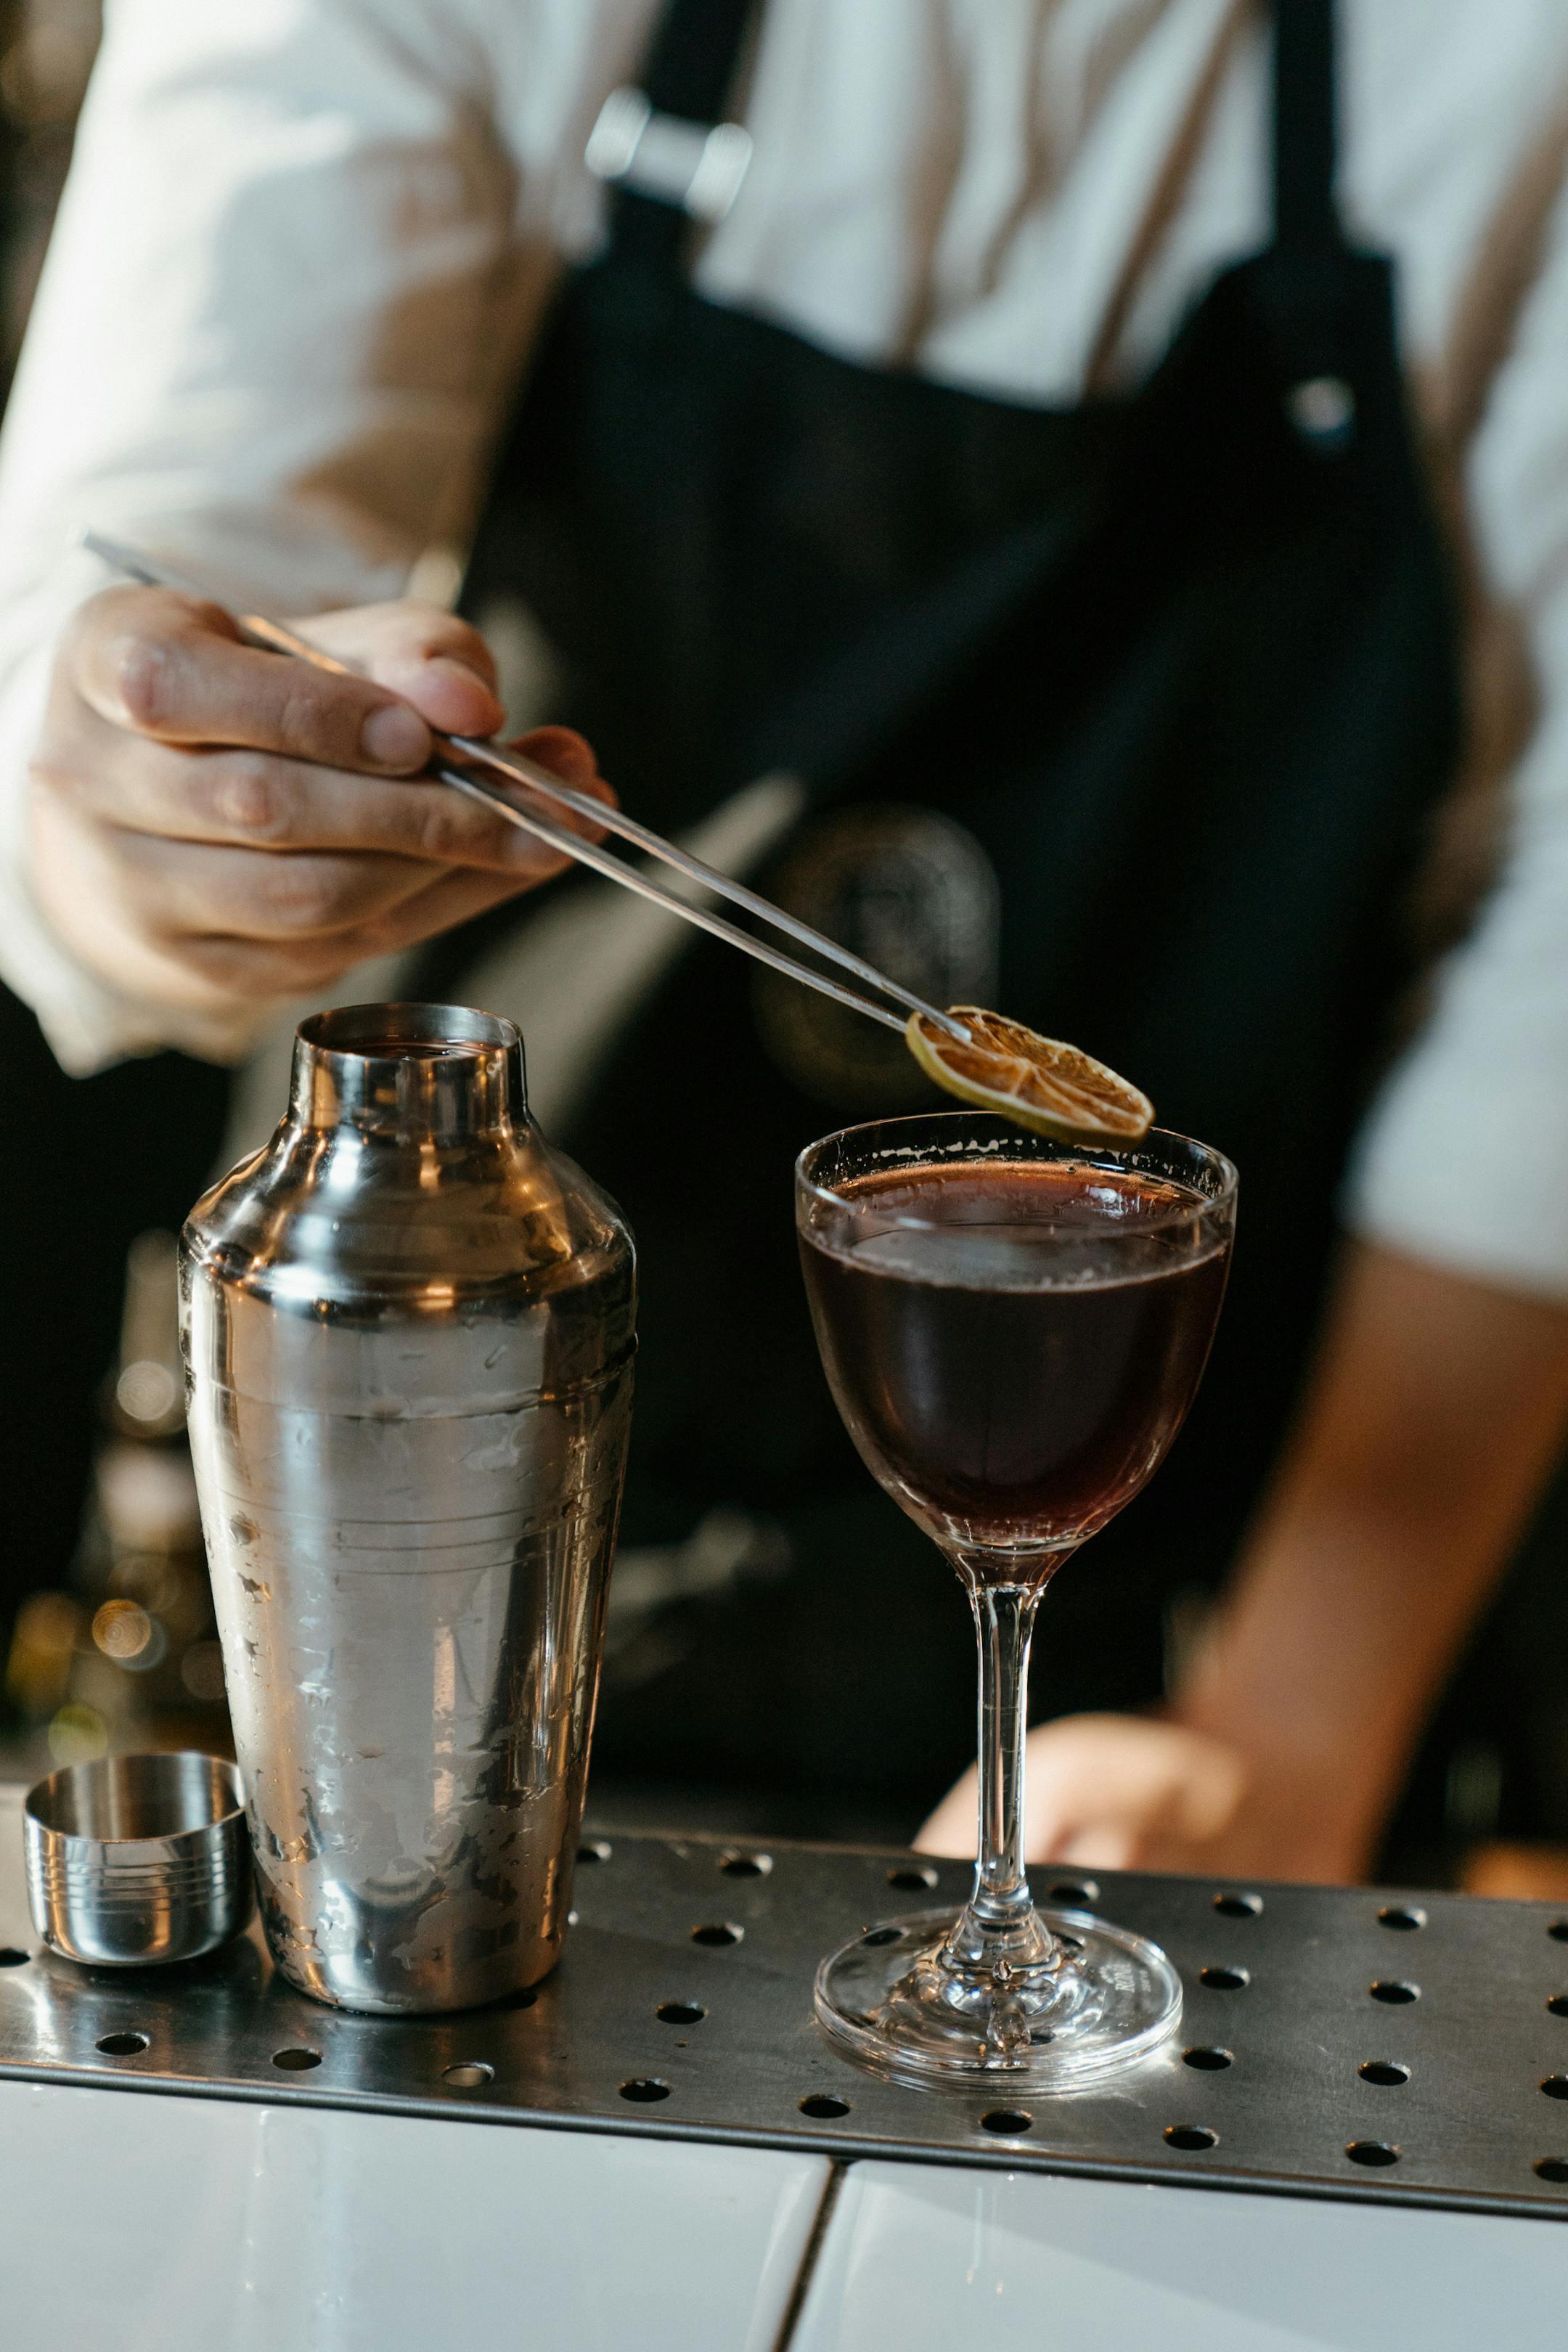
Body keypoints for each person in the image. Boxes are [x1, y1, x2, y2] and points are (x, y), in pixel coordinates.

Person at [3, 0, 1568, 1880]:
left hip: (1181, 1618)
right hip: (376, 1563)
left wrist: (1293, 1719)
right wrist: (165, 821)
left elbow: (1543, 992)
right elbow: (143, 599)